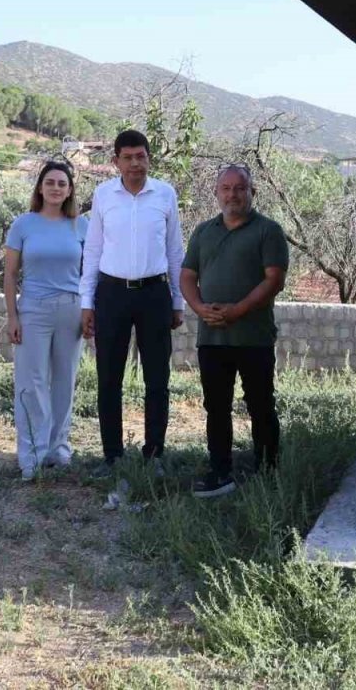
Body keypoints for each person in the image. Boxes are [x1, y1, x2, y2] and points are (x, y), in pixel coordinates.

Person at [180, 164, 289, 498]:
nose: (232, 195)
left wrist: (237, 311)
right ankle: (220, 472)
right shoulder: (203, 231)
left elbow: (274, 279)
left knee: (260, 403)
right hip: (212, 338)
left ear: (251, 192)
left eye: (240, 188)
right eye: (226, 188)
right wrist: (199, 308)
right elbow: (187, 276)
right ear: (216, 193)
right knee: (216, 406)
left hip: (253, 337)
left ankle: (268, 471)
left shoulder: (268, 231)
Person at [79, 130, 185, 470]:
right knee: (109, 377)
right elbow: (93, 250)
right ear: (116, 161)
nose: (135, 163)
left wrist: (178, 300)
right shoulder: (103, 195)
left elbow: (174, 250)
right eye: (128, 157)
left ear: (149, 158)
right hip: (111, 294)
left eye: (141, 156)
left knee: (157, 378)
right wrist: (87, 302)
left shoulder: (165, 194)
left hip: (155, 294)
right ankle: (112, 456)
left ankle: (154, 454)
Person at [4, 161, 89, 481]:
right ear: (40, 187)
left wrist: (88, 311)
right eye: (50, 182)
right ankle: (31, 456)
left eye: (62, 183)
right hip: (33, 310)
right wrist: (13, 315)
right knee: (31, 383)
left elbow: (90, 274)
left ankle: (58, 449)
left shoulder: (81, 226)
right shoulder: (23, 224)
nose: (56, 188)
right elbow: (10, 275)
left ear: (69, 190)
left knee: (64, 381)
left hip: (71, 309)